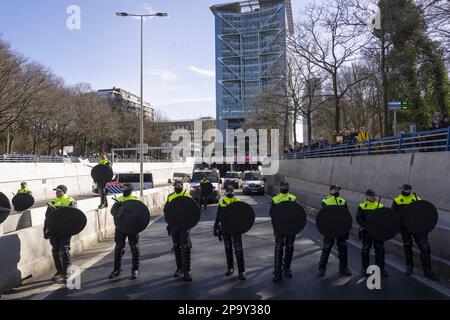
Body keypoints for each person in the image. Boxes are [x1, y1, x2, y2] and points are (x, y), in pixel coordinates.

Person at [392, 184, 438, 280]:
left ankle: (427, 271)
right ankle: (409, 266)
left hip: (418, 227)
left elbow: (425, 212)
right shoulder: (397, 200)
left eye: (406, 189)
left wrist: (425, 226)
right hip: (405, 228)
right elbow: (394, 215)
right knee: (407, 245)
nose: (404, 191)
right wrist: (397, 227)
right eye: (403, 189)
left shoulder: (417, 199)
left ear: (410, 190)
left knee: (425, 247)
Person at [43, 185, 76, 282]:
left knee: (64, 249)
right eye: (56, 191)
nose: (57, 193)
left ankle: (67, 271)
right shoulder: (52, 202)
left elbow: (74, 215)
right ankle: (60, 271)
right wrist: (45, 230)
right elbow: (47, 218)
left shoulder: (70, 201)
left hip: (65, 229)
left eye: (59, 191)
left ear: (64, 191)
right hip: (54, 230)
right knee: (55, 251)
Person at [318, 185, 352, 277]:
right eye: (335, 189)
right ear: (331, 191)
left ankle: (344, 268)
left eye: (338, 189)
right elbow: (323, 216)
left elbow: (346, 217)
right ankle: (322, 268)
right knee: (327, 247)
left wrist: (347, 229)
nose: (337, 191)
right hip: (330, 229)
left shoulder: (342, 201)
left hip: (341, 228)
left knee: (343, 248)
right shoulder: (325, 201)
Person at [109, 184, 141, 280]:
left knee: (134, 248)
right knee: (118, 248)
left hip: (132, 228)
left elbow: (140, 213)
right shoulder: (119, 199)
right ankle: (117, 270)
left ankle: (135, 269)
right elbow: (112, 212)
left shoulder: (135, 199)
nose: (124, 190)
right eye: (123, 188)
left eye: (126, 188)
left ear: (130, 190)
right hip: (120, 227)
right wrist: (116, 207)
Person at [213, 186, 246, 280]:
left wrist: (243, 227)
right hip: (225, 228)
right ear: (225, 192)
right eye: (227, 191)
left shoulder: (238, 201)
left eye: (231, 190)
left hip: (236, 229)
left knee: (238, 249)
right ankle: (230, 268)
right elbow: (218, 216)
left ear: (233, 191)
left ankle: (241, 271)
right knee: (228, 248)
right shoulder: (222, 203)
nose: (229, 192)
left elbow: (244, 216)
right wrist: (215, 228)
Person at [165, 181, 193, 282]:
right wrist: (168, 224)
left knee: (185, 246)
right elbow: (167, 211)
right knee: (176, 246)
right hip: (174, 225)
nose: (177, 187)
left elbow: (192, 210)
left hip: (185, 225)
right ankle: (179, 269)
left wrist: (190, 223)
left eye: (179, 185)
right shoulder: (170, 197)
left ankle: (187, 271)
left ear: (182, 186)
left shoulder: (187, 196)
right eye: (176, 186)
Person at [356, 189, 388, 277]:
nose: (372, 197)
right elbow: (359, 219)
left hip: (378, 232)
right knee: (365, 250)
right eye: (370, 195)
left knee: (380, 250)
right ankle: (365, 269)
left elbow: (383, 218)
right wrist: (367, 225)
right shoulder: (362, 206)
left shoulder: (380, 206)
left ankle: (380, 269)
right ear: (366, 196)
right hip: (367, 232)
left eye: (373, 195)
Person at [271, 182, 297, 282]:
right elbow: (272, 215)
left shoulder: (293, 198)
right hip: (280, 228)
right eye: (283, 186)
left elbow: (296, 213)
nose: (285, 188)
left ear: (288, 188)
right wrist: (275, 228)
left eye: (286, 186)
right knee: (279, 248)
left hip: (290, 228)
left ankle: (286, 268)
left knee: (290, 247)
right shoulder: (275, 199)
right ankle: (277, 272)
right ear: (280, 187)